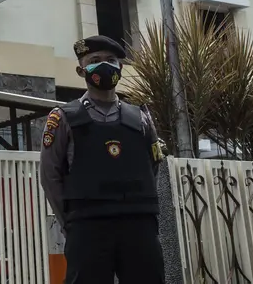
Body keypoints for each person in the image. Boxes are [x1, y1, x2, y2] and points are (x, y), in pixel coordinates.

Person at [39, 35, 167, 284]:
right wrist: (70, 224)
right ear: (81, 70)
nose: (105, 65)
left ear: (120, 68)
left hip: (139, 224)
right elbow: (50, 176)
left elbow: (152, 167)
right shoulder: (64, 118)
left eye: (111, 60)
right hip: (87, 227)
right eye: (95, 60)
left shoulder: (141, 118)